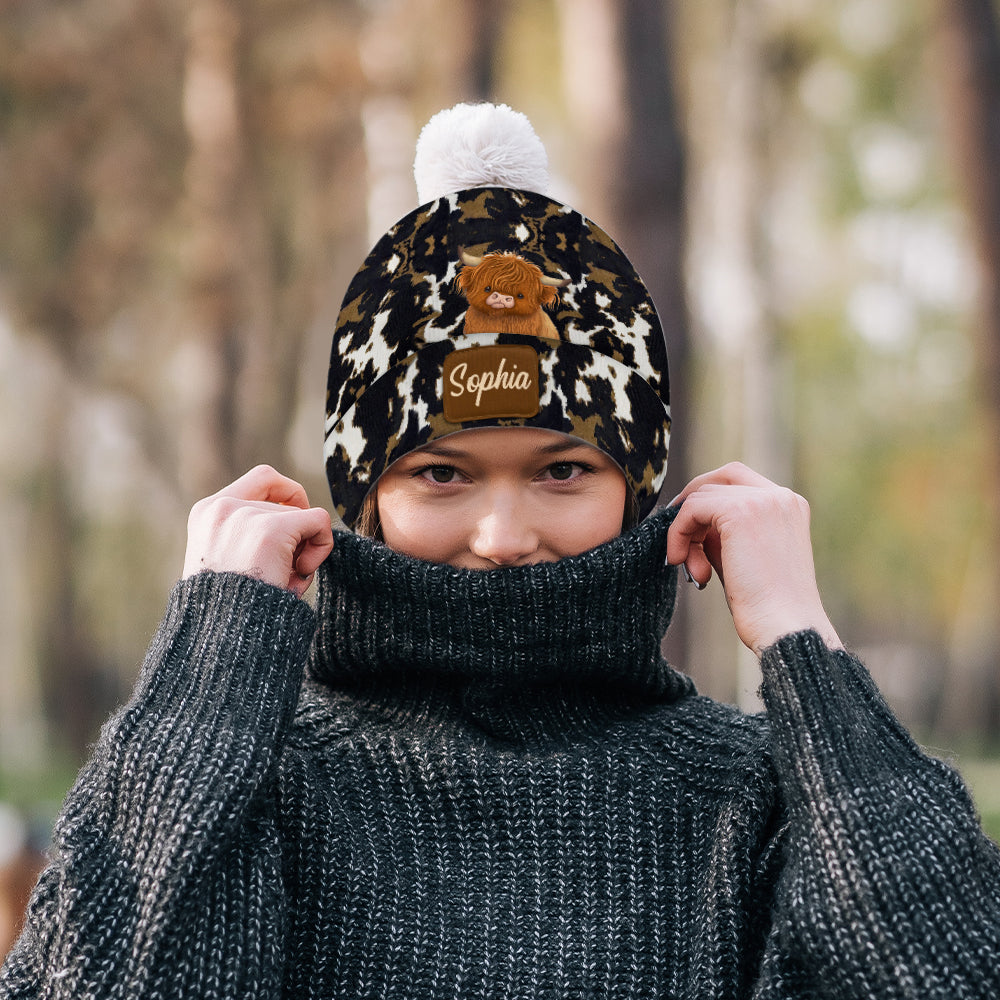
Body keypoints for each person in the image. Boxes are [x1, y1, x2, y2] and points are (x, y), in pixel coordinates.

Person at [2, 103, 999, 999]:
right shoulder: (257, 786)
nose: (505, 535)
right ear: (364, 497)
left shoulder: (752, 799)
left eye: (562, 470)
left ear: (634, 488)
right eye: (442, 473)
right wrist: (202, 682)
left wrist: (804, 646)